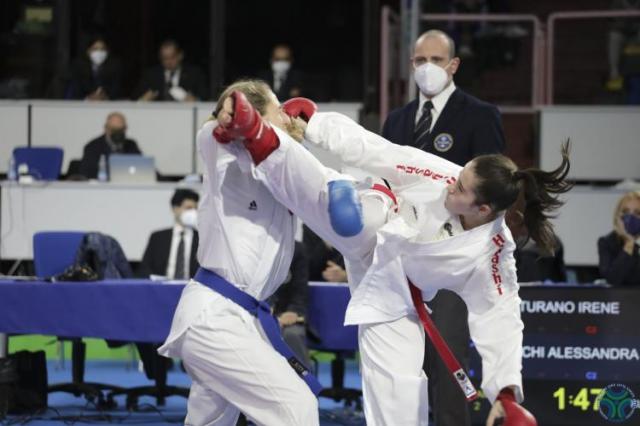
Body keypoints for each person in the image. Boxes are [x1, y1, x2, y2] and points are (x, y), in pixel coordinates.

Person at [215, 90, 565, 425]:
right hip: (378, 218)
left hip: (397, 297)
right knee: (344, 216)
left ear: (483, 209)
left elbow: (500, 317)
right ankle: (260, 138)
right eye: (458, 176)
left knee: (400, 394)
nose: (451, 183)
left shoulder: (493, 255)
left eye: (460, 189)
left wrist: (505, 393)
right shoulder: (444, 174)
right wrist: (317, 124)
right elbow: (380, 151)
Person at [157, 80, 320, 426]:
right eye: (279, 109)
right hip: (214, 315)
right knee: (297, 408)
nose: (288, 115)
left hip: (243, 318)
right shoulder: (226, 156)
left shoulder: (280, 172)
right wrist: (231, 119)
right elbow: (209, 135)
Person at [382, 29, 506, 426]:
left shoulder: (480, 116)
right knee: (400, 365)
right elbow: (382, 182)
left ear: (453, 65)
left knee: (447, 357)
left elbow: (495, 189)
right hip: (400, 260)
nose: (427, 68)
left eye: (436, 60)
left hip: (453, 259)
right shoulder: (397, 121)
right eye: (420, 61)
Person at [138, 189, 200, 279]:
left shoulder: (202, 239)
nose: (193, 213)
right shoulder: (158, 238)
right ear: (175, 209)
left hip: (192, 290)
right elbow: (144, 269)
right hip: (162, 289)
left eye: (195, 208)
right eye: (189, 208)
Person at [270, 241, 312, 369]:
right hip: (258, 311)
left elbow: (300, 288)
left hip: (289, 315)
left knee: (292, 334)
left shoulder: (297, 250)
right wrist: (266, 309)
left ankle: (305, 382)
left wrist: (293, 311)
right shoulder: (252, 246)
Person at [134, 39, 207, 102]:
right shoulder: (151, 75)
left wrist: (193, 100)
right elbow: (135, 100)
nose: (168, 61)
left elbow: (205, 99)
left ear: (180, 55)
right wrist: (143, 100)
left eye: (172, 57)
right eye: (165, 58)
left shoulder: (194, 74)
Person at [79, 112, 141, 179]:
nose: (117, 134)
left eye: (120, 130)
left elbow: (141, 168)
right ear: (106, 129)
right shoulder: (93, 147)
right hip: (101, 187)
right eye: (114, 130)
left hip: (127, 185)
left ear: (125, 129)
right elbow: (86, 173)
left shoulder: (131, 145)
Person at [598, 191, 640, 286]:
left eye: (637, 213)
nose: (631, 217)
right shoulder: (607, 242)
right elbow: (613, 279)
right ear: (618, 216)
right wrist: (629, 243)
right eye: (626, 211)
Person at [66, 35, 123, 100]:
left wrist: (105, 97)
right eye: (95, 49)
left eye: (102, 49)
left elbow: (117, 90)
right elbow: (76, 90)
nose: (99, 52)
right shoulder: (78, 67)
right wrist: (88, 98)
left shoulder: (115, 67)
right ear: (88, 51)